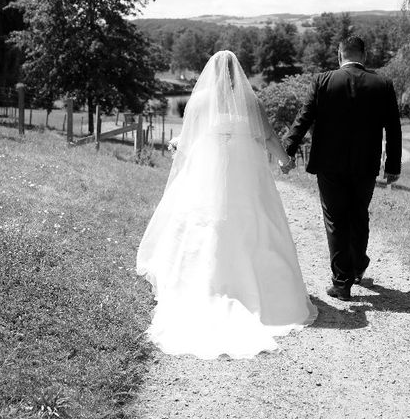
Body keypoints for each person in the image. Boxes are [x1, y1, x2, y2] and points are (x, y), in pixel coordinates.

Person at [136, 50, 317, 359]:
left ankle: (209, 282)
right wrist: (285, 160)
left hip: (211, 176)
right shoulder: (251, 102)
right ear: (237, 75)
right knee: (257, 223)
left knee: (206, 223)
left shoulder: (201, 100)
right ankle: (263, 290)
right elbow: (269, 136)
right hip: (247, 177)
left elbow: (191, 138)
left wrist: (177, 144)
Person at [282, 35, 402, 301]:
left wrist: (286, 149)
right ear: (364, 56)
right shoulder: (382, 84)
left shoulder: (323, 81)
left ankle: (341, 283)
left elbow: (304, 117)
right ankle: (357, 266)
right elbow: (393, 128)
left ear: (339, 55)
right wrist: (392, 165)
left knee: (336, 220)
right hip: (365, 164)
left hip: (329, 164)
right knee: (359, 215)